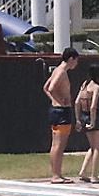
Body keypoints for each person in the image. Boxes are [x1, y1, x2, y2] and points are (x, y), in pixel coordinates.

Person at [43, 48, 80, 183]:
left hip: (56, 110)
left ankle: (57, 173)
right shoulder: (62, 72)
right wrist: (60, 100)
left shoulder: (56, 70)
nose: (76, 63)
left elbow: (45, 88)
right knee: (59, 144)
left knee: (56, 144)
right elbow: (51, 88)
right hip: (61, 111)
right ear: (71, 59)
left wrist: (55, 100)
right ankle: (55, 175)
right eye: (76, 60)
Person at [76, 65, 99, 183]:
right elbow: (93, 106)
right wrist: (93, 121)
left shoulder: (84, 85)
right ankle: (94, 175)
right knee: (97, 148)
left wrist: (78, 119)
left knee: (92, 146)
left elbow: (76, 102)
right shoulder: (96, 87)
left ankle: (83, 171)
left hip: (84, 116)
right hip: (93, 116)